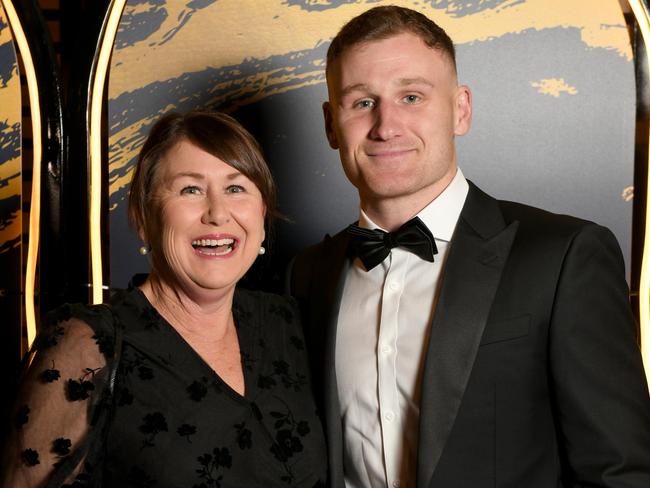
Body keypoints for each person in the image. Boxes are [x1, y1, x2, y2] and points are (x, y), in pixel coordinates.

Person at [289, 6, 650, 488]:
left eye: (411, 96)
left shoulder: (565, 256)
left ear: (461, 109)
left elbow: (620, 474)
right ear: (332, 125)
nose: (386, 125)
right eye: (361, 103)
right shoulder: (306, 277)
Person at [1, 111, 327, 487]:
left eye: (236, 188)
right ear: (143, 217)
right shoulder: (92, 344)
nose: (218, 213)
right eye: (191, 189)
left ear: (262, 212)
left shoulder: (287, 323)